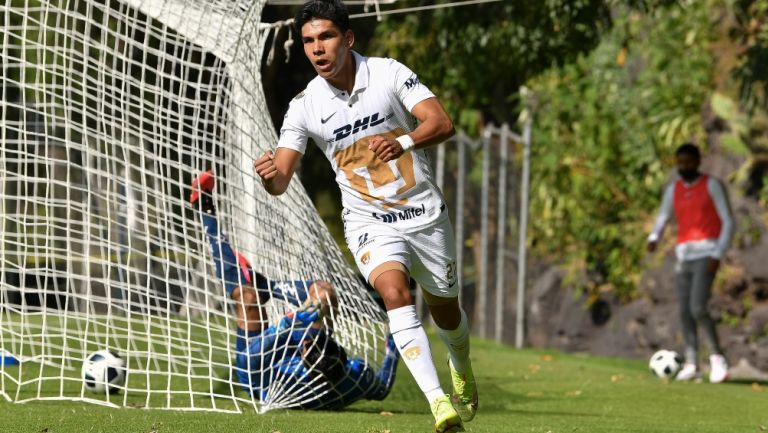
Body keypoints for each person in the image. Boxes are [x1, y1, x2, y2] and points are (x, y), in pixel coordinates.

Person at [253, 2, 476, 431]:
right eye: (309, 41)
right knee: (394, 294)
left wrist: (405, 141)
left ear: (348, 38)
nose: (317, 49)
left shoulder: (388, 73)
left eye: (326, 37)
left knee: (447, 313)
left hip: (425, 214)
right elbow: (280, 178)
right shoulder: (304, 106)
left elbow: (442, 122)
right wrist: (268, 175)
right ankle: (438, 404)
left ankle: (460, 362)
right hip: (368, 221)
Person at [189, 170, 398, 408]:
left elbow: (249, 358)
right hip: (304, 358)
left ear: (304, 350)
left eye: (311, 339)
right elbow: (381, 388)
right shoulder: (351, 376)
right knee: (324, 294)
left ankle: (203, 207)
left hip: (260, 369)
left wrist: (288, 324)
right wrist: (394, 343)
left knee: (246, 296)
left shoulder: (275, 374)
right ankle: (268, 286)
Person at [647, 143, 735, 383]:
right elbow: (663, 216)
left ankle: (717, 359)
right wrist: (654, 237)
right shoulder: (673, 189)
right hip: (683, 256)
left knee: (698, 307)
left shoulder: (712, 185)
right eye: (680, 163)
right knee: (685, 311)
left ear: (698, 161)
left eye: (688, 162)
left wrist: (718, 253)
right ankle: (692, 362)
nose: (683, 167)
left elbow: (728, 221)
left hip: (707, 254)